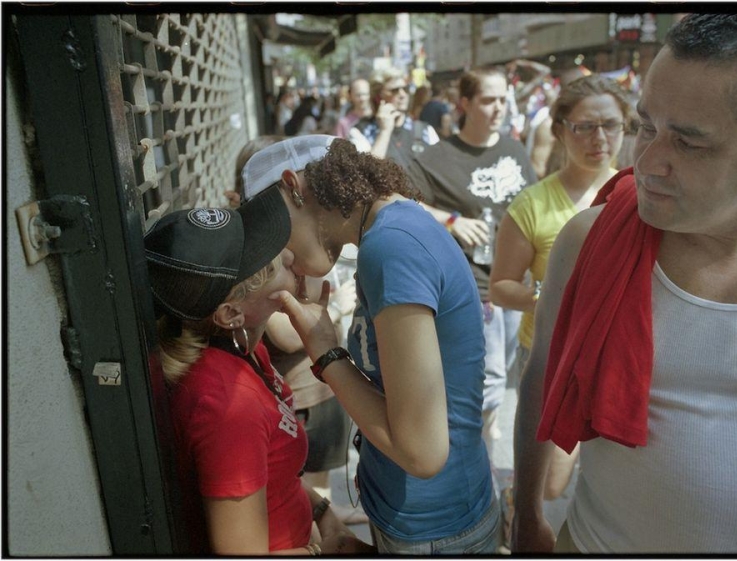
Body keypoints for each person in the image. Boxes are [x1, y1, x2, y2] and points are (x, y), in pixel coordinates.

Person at [511, 13, 737, 554]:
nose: (647, 164)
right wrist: (527, 514)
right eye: (646, 127)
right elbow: (542, 374)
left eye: (689, 143)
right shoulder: (588, 239)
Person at [241, 134, 501, 554]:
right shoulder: (390, 228)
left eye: (274, 229)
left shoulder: (390, 245)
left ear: (294, 186)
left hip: (433, 529)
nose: (281, 253)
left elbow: (423, 454)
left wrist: (326, 352)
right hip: (418, 518)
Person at [144, 186, 373, 555]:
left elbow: (276, 472)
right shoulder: (227, 404)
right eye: (269, 262)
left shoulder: (244, 352)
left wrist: (322, 511)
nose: (288, 255)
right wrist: (324, 551)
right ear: (231, 313)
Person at [491, 74, 632, 522]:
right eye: (585, 127)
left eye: (611, 125)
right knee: (550, 483)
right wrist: (550, 299)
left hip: (620, 356)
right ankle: (515, 504)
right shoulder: (532, 204)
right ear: (559, 130)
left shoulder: (642, 194)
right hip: (550, 354)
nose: (599, 139)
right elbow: (500, 286)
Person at [228, 135, 365, 524]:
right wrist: (335, 311)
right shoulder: (261, 257)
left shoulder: (302, 245)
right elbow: (288, 334)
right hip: (300, 394)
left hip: (322, 385)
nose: (290, 262)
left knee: (316, 479)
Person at [408, 67, 537, 462]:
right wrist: (451, 220)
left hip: (518, 282)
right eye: (488, 100)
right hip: (475, 285)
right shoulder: (437, 157)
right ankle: (475, 453)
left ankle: (486, 435)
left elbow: (533, 203)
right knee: (491, 376)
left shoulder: (514, 150)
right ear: (464, 104)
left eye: (502, 100)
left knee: (507, 370)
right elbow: (401, 201)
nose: (498, 108)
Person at [347, 66, 439, 171]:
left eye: (405, 89)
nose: (402, 95)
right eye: (395, 90)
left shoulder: (425, 130)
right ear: (378, 97)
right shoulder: (361, 132)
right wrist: (384, 131)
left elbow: (441, 170)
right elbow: (368, 173)